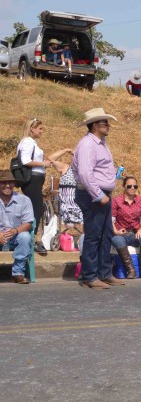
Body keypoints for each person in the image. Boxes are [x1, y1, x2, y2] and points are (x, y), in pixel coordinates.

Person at [72, 108, 125, 289]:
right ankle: (90, 276)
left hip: (101, 194)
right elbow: (85, 173)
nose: (108, 126)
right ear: (96, 125)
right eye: (105, 123)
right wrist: (98, 195)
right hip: (92, 194)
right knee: (94, 235)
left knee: (106, 234)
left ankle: (104, 273)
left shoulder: (101, 143)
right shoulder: (88, 145)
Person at [17, 118, 54, 254]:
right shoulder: (27, 142)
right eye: (40, 128)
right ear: (32, 128)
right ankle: (31, 238)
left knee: (35, 209)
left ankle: (30, 237)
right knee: (36, 209)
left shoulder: (32, 143)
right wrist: (43, 164)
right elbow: (25, 160)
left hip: (36, 179)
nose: (41, 131)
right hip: (32, 179)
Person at [110, 176, 141, 280]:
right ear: (124, 187)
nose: (132, 188)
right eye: (129, 186)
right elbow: (111, 220)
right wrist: (116, 231)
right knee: (118, 241)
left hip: (135, 233)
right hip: (121, 233)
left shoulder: (140, 200)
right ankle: (130, 270)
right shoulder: (116, 201)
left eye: (135, 186)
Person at [0, 169, 34, 284]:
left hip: (15, 236)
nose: (7, 185)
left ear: (14, 184)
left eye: (10, 182)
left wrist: (15, 231)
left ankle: (18, 273)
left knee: (25, 237)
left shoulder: (24, 200)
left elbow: (28, 223)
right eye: (3, 182)